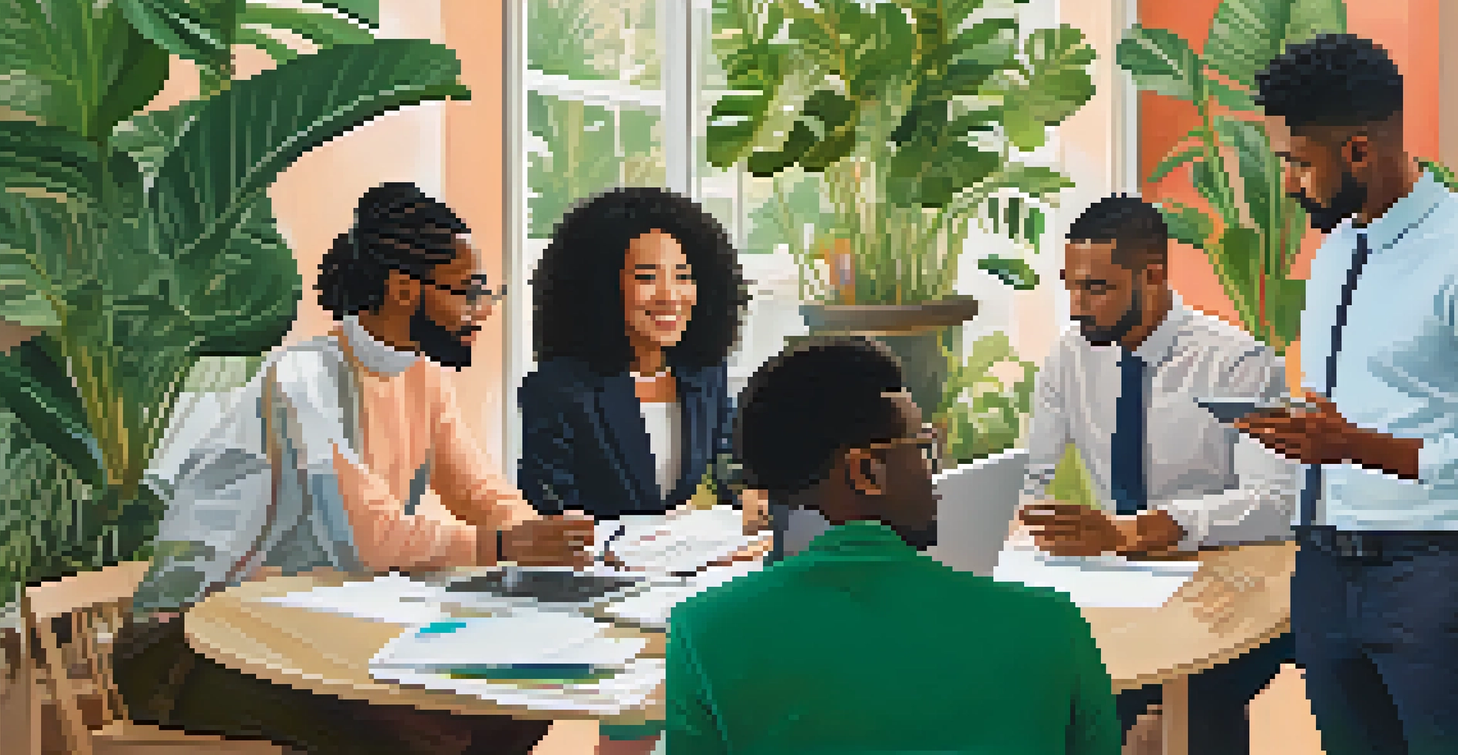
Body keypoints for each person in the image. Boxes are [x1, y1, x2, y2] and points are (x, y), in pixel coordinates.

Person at [116, 181, 593, 755]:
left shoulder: (422, 375)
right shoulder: (305, 380)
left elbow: (477, 490)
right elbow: (365, 535)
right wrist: (506, 545)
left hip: (298, 626)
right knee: (435, 735)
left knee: (511, 710)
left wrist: (546, 540)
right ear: (401, 290)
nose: (480, 310)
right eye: (466, 292)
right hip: (189, 644)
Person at [1238, 33, 1458, 755]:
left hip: (1439, 578)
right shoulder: (1337, 249)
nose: (1290, 184)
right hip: (1325, 572)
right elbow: (1341, 416)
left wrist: (1355, 446)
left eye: (1298, 163)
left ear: (1359, 152)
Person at [665, 337, 1119, 754]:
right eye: (921, 448)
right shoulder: (1051, 626)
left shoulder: (702, 634)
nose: (933, 477)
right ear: (867, 473)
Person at [1004, 194, 1300, 755]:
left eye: (1096, 289)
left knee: (1200, 695)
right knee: (1054, 683)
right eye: (1070, 285)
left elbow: (1276, 502)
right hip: (1114, 580)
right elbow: (1031, 480)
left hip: (1223, 579)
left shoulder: (1237, 364)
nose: (1076, 306)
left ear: (1153, 275)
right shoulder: (1070, 357)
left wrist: (1139, 530)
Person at [520, 187, 764, 526]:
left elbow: (729, 472)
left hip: (696, 566)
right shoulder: (558, 390)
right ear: (601, 286)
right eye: (647, 277)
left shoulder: (706, 376)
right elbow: (552, 512)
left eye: (683, 277)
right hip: (598, 573)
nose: (670, 297)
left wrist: (748, 499)